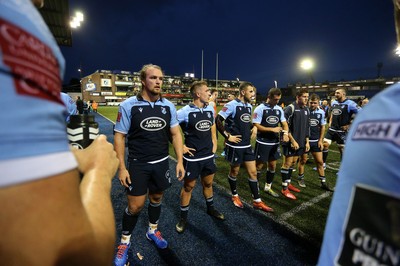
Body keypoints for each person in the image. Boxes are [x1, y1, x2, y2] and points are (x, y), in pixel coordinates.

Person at [0, 1, 120, 265]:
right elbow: (75, 252)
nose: (43, 2)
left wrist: (72, 158)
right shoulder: (16, 15)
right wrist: (99, 171)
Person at [318, 2, 400, 263]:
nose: (338, 95)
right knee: (325, 150)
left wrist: (350, 126)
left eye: (340, 93)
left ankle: (339, 167)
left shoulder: (367, 108)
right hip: (333, 130)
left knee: (344, 151)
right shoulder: (382, 108)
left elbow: (355, 116)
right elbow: (333, 115)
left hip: (344, 132)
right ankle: (321, 169)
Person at [113, 64, 185, 266]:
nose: (158, 82)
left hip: (161, 163)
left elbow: (175, 134)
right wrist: (122, 167)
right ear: (143, 81)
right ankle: (125, 242)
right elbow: (119, 137)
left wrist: (179, 160)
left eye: (161, 78)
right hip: (138, 164)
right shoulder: (128, 106)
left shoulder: (168, 106)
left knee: (156, 197)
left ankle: (152, 230)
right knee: (135, 206)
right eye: (153, 78)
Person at [175, 81, 225, 234]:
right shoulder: (184, 112)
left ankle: (210, 209)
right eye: (207, 90)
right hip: (192, 158)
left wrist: (214, 142)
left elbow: (212, 125)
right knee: (188, 187)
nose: (210, 93)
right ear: (198, 94)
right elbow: (168, 128)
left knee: (208, 184)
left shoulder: (210, 108)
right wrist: (181, 146)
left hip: (208, 155)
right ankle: (183, 217)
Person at [216, 82, 273, 212]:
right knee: (234, 172)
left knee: (253, 172)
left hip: (247, 146)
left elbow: (244, 121)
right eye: (251, 92)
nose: (253, 95)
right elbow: (218, 120)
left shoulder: (248, 106)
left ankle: (257, 201)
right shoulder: (231, 105)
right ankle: (235, 195)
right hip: (235, 146)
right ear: (243, 92)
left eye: (253, 92)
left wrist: (253, 128)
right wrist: (227, 136)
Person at [253, 88, 289, 198]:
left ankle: (268, 187)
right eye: (275, 99)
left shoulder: (279, 109)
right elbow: (256, 125)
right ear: (268, 97)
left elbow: (284, 124)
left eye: (278, 99)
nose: (277, 102)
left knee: (273, 165)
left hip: (274, 142)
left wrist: (286, 133)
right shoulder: (260, 109)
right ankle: (256, 187)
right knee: (259, 166)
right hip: (262, 142)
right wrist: (272, 129)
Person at [296, 94, 333, 191]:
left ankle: (323, 182)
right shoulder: (304, 111)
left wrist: (320, 140)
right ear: (308, 102)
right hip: (304, 141)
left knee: (320, 162)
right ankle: (301, 178)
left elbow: (322, 127)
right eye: (311, 102)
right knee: (303, 160)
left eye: (315, 103)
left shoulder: (321, 112)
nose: (312, 104)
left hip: (316, 141)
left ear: (318, 103)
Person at [280, 88, 310, 200]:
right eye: (304, 96)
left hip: (301, 142)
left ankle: (288, 183)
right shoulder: (290, 108)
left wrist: (306, 141)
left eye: (307, 97)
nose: (306, 99)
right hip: (291, 142)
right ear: (297, 97)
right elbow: (284, 126)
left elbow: (307, 127)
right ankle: (284, 189)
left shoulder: (306, 109)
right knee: (287, 164)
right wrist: (292, 140)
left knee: (293, 163)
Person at [321, 88, 360, 166]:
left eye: (338, 93)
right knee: (325, 145)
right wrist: (330, 122)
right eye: (335, 93)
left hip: (342, 131)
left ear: (343, 94)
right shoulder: (334, 103)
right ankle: (323, 164)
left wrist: (350, 125)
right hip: (332, 129)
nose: (336, 94)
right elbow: (333, 113)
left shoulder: (350, 104)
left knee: (342, 149)